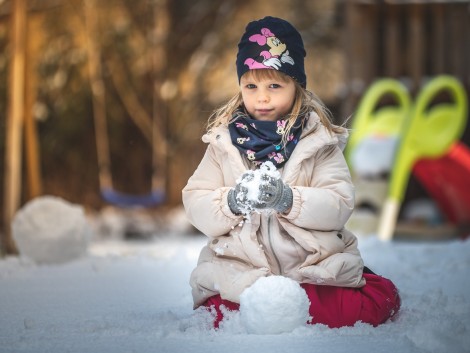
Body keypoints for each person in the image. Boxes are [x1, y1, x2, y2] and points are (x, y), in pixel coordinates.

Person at [182, 16, 400, 329]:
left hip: (308, 272)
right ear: (240, 85)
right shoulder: (223, 144)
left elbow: (338, 204)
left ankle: (336, 294)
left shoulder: (318, 141)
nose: (262, 97)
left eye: (274, 85)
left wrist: (288, 199)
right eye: (251, 85)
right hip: (244, 274)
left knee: (364, 309)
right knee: (217, 315)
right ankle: (261, 308)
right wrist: (232, 200)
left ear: (295, 85)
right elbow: (195, 201)